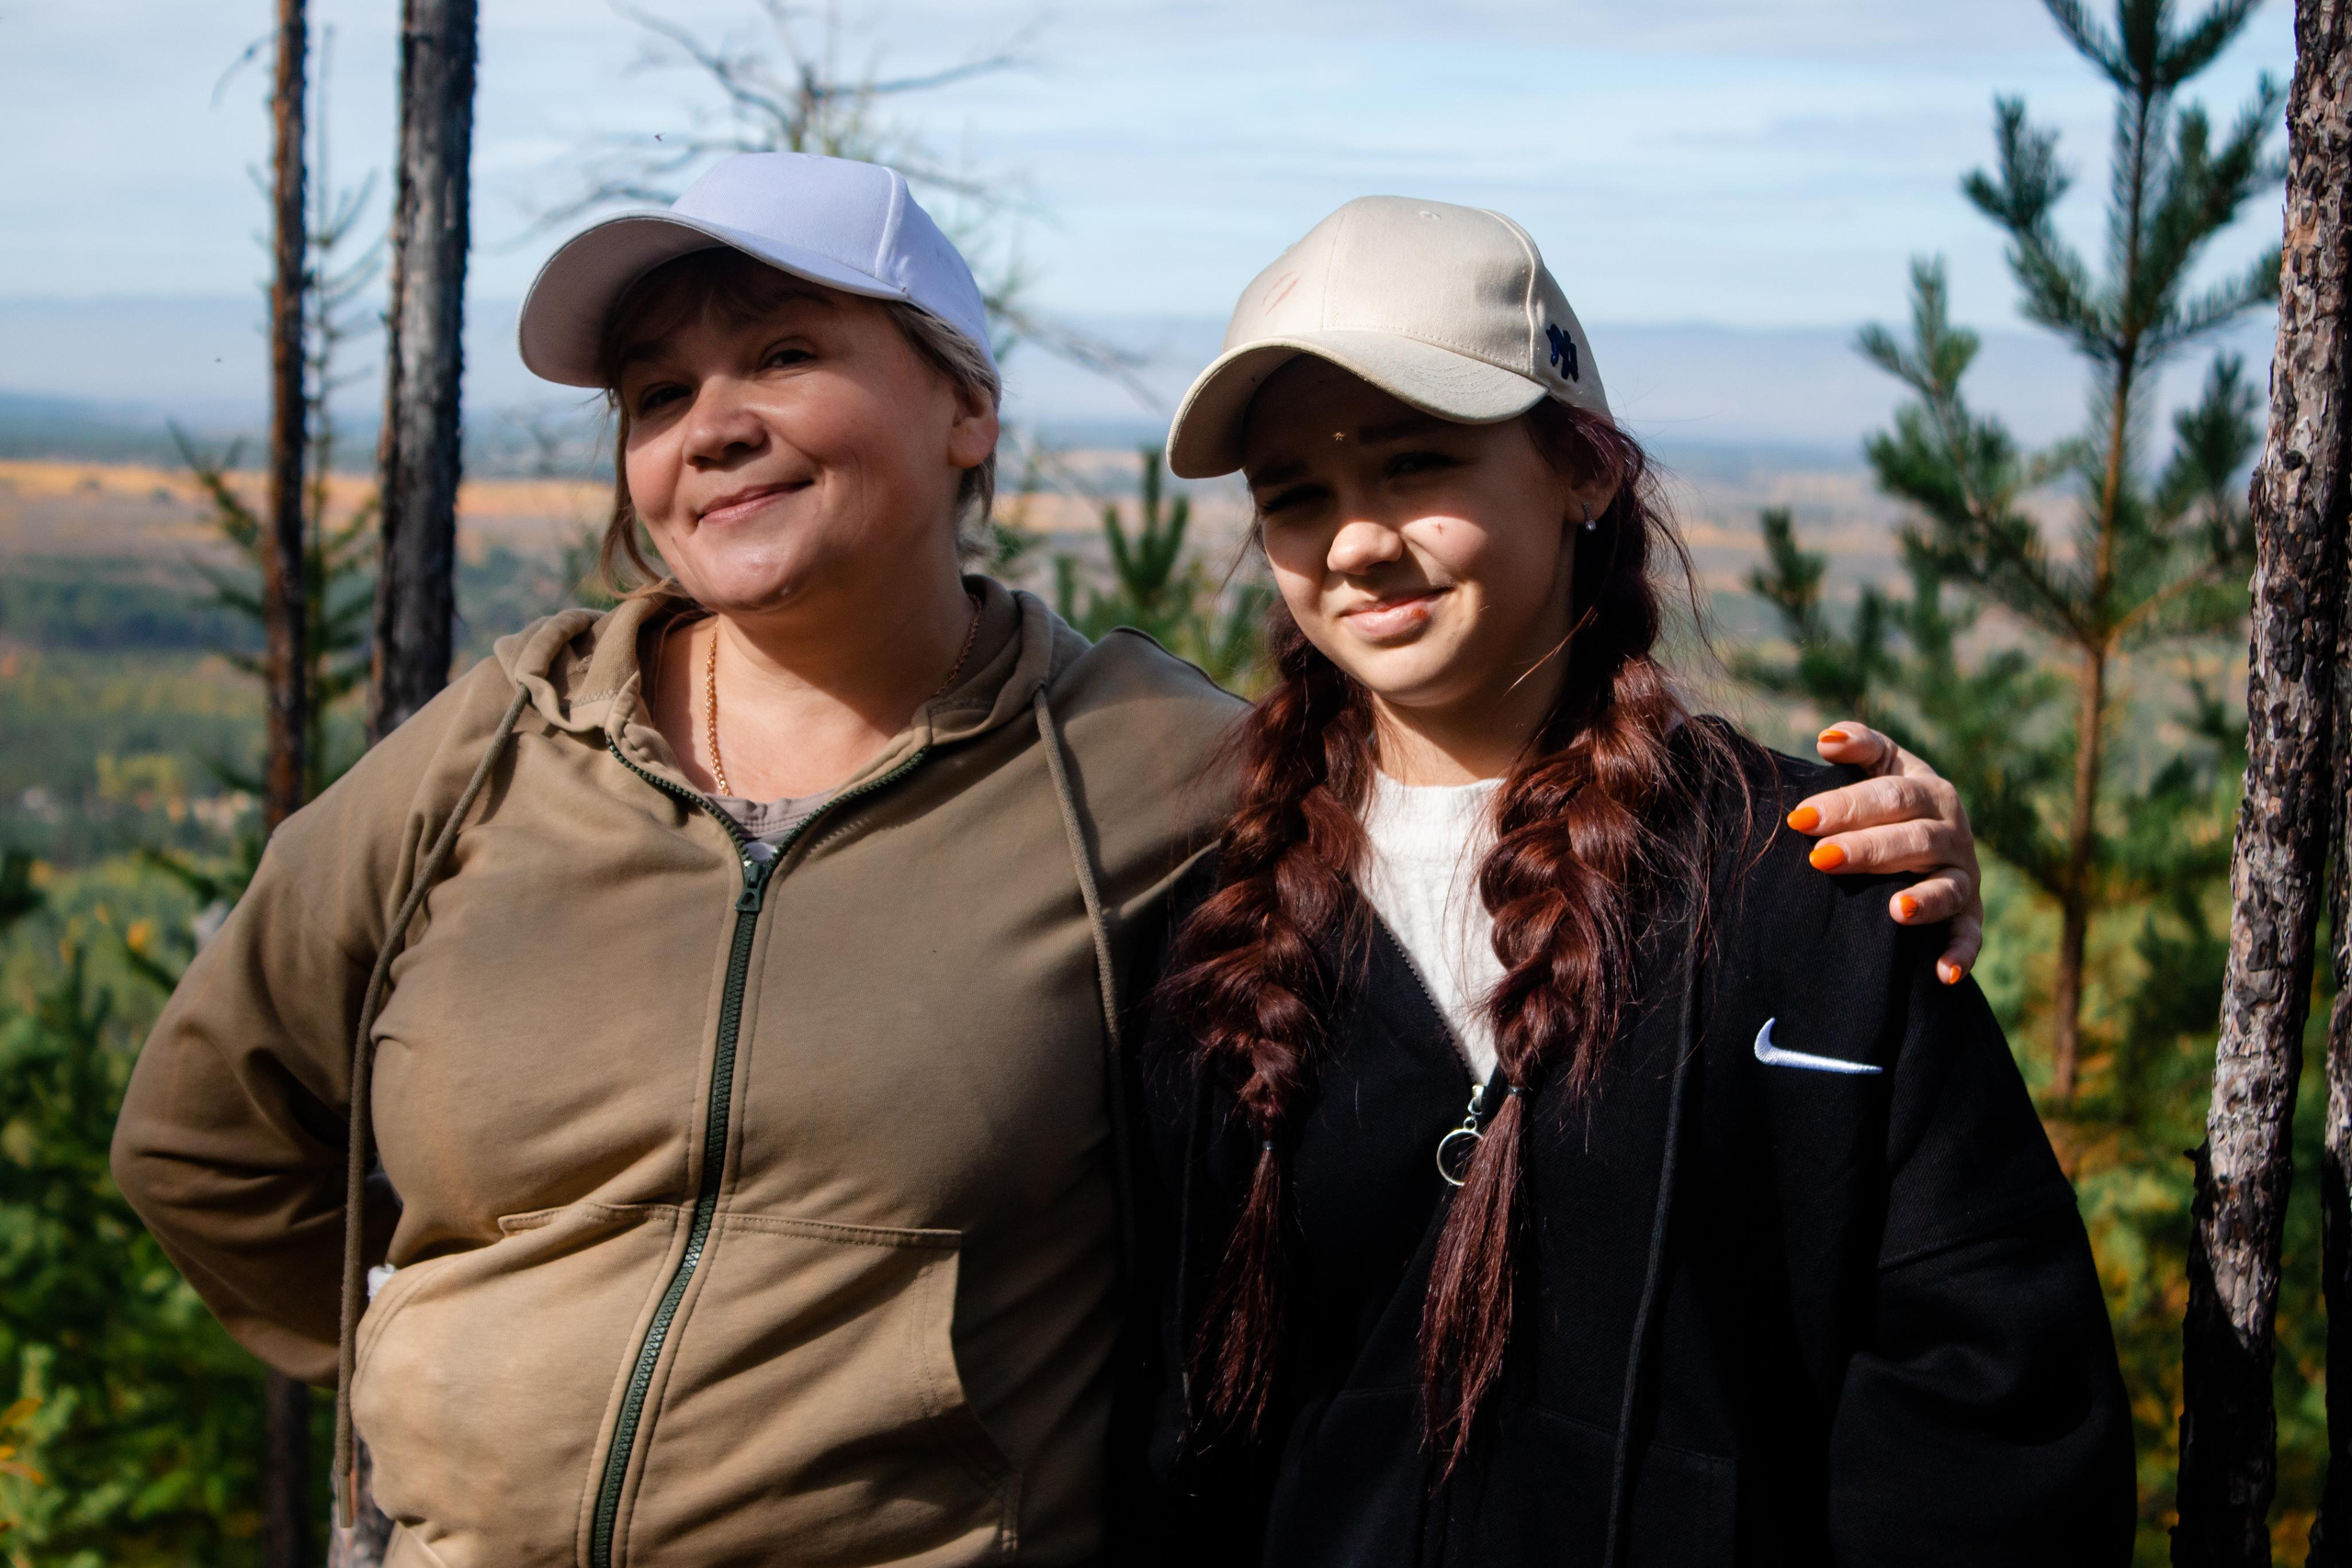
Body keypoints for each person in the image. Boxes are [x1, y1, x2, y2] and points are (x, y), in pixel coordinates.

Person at [111, 155, 1990, 1567]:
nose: (713, 425)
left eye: (779, 350)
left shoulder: (1151, 767)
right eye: (656, 395)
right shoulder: (496, 746)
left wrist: (1858, 848)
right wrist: (437, 1394)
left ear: (965, 410)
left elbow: (1490, 760)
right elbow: (205, 1134)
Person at [1129, 197, 2133, 1567]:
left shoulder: (1804, 886)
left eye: (1416, 463)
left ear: (1585, 471)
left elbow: (1988, 1407)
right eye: (1296, 495)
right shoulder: (1226, 931)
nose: (1354, 542)